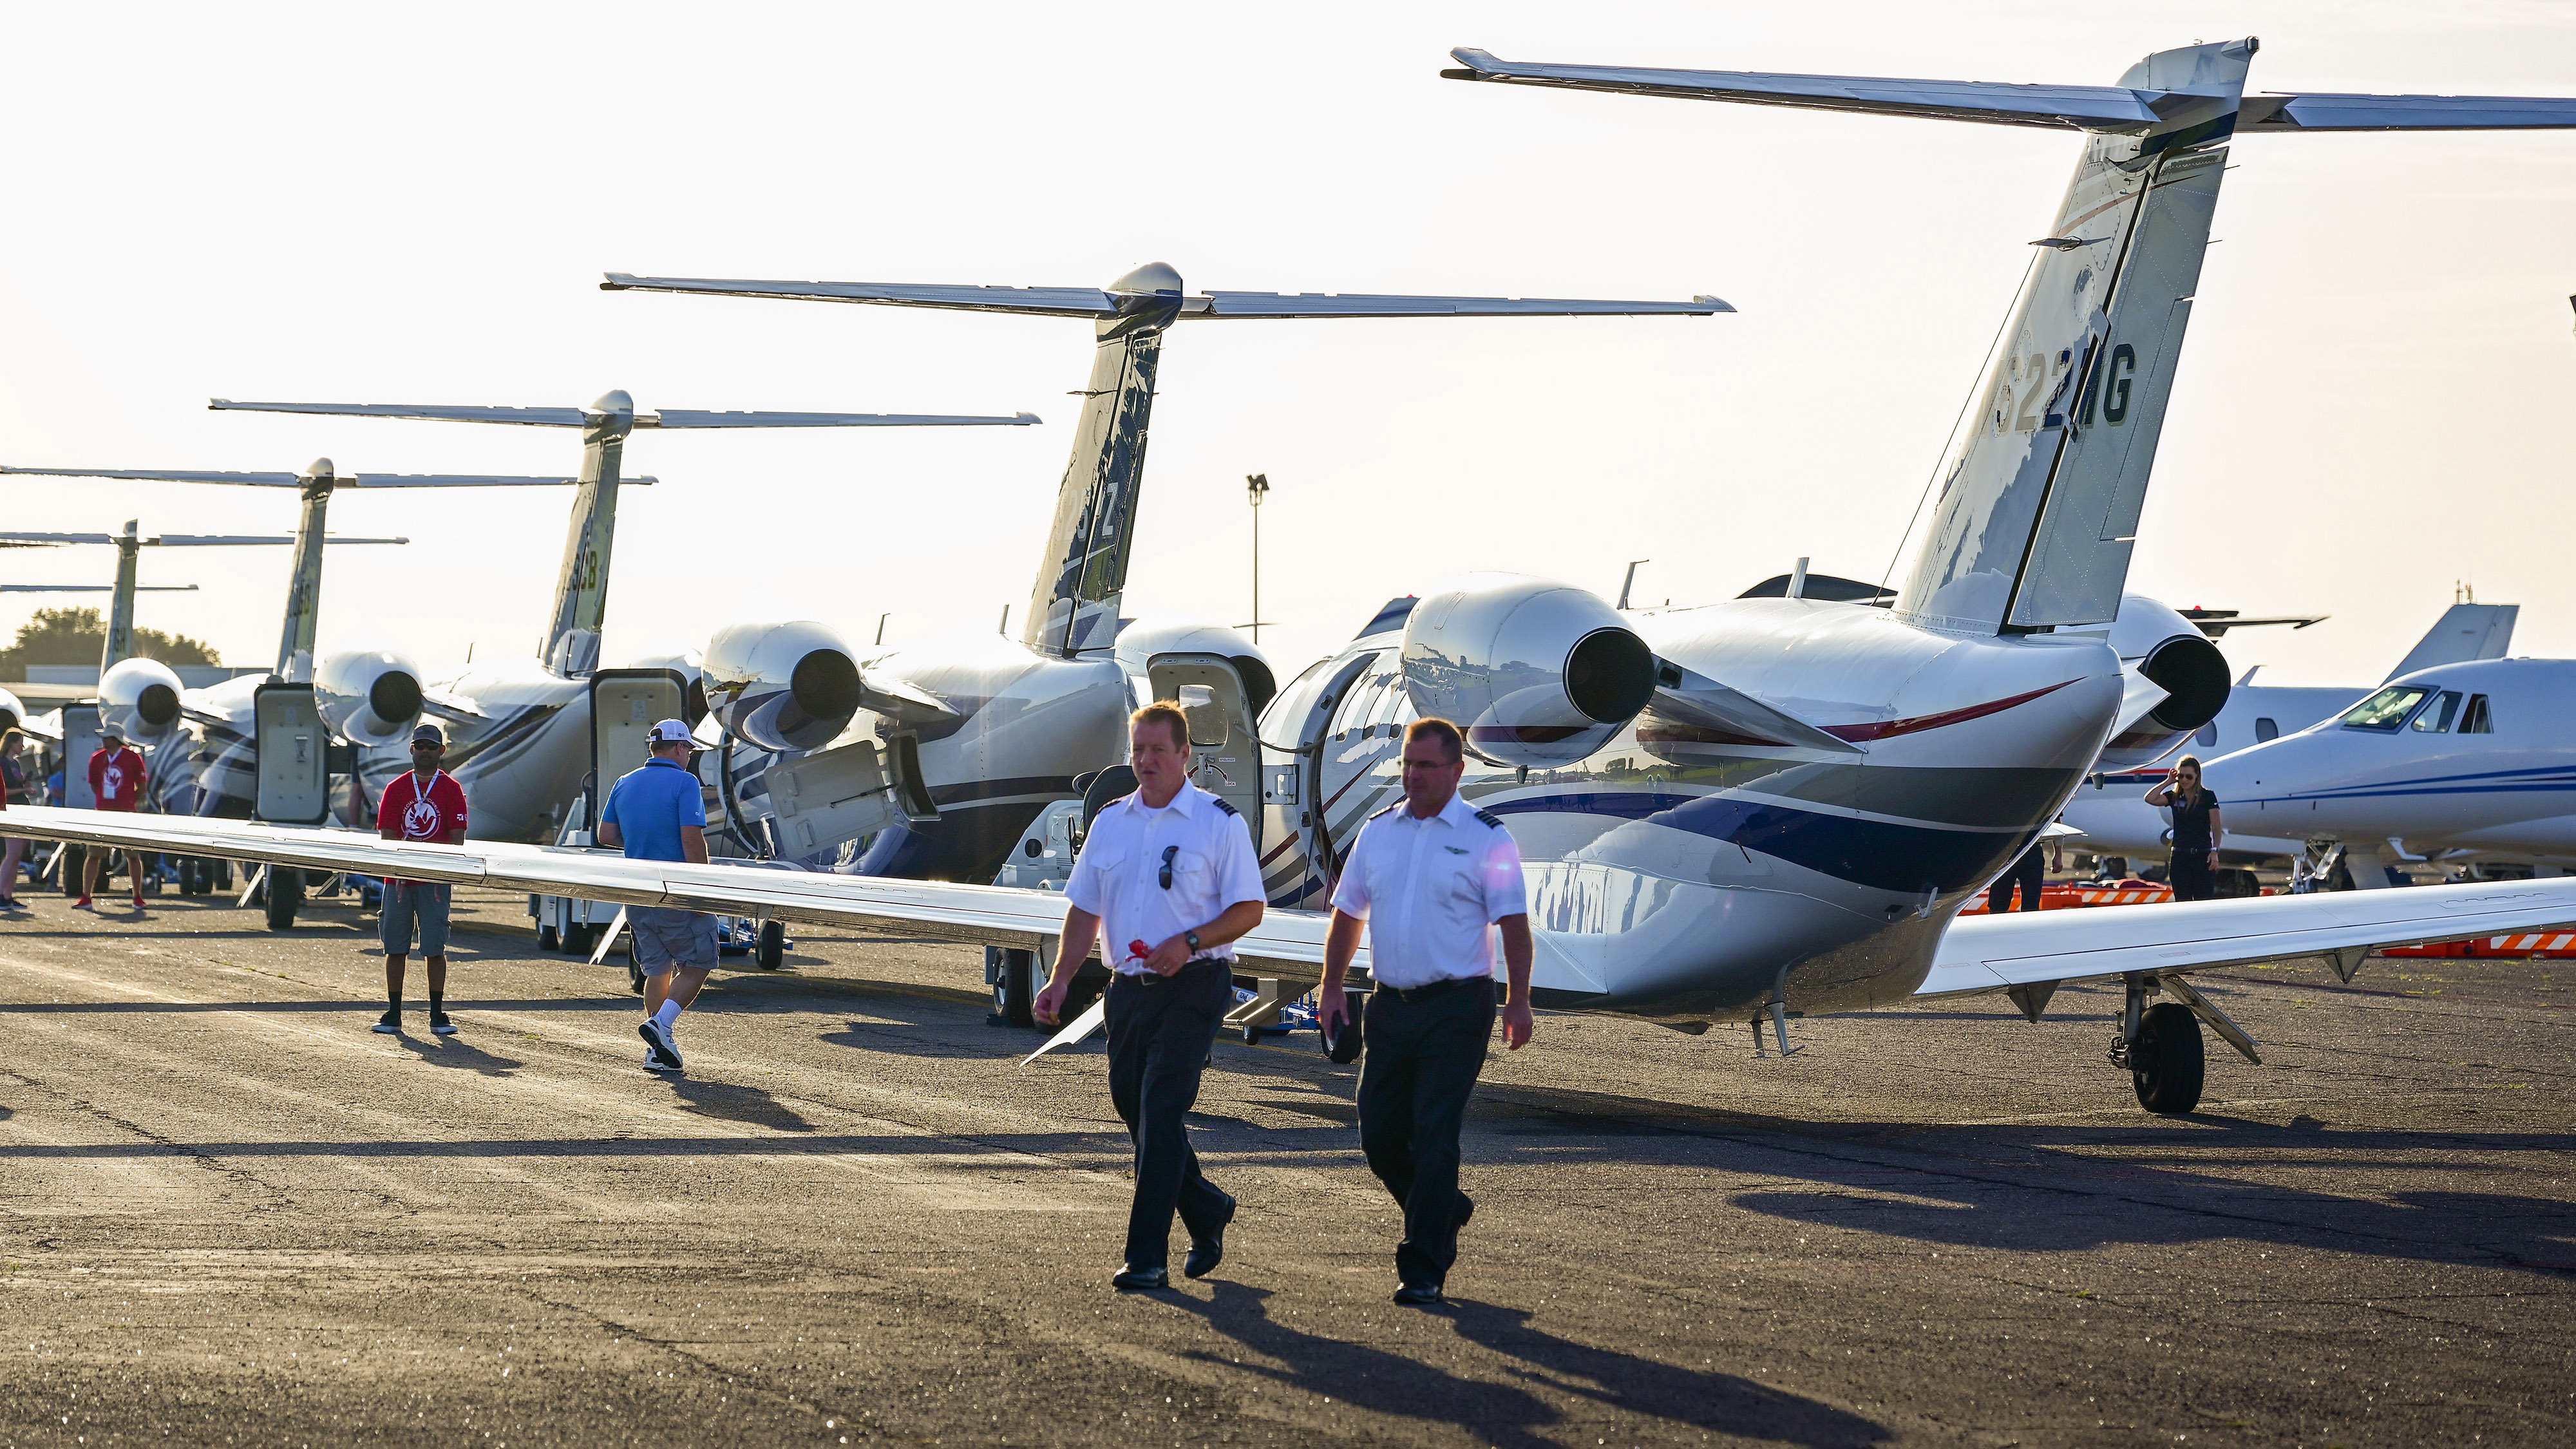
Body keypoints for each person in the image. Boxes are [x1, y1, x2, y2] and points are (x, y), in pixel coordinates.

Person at [1034, 701, 1265, 1293]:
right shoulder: (1111, 822)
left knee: (1162, 1110)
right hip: (1127, 991)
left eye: (1158, 750)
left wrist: (1190, 942)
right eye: (1138, 750)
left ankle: (1147, 1257)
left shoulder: (1218, 822)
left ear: (1186, 755)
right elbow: (1084, 909)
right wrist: (1060, 979)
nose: (1145, 761)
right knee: (1136, 1111)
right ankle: (1207, 1208)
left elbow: (1249, 909)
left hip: (1194, 984)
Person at [1318, 716, 1534, 1308]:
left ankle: (1423, 1266)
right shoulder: (1378, 833)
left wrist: (1518, 999)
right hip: (1390, 1005)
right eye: (1408, 764)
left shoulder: (1489, 838)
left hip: (1457, 1008)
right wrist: (1332, 985)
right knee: (1380, 1137)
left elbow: (1513, 923)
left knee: (1435, 1135)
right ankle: (1444, 1209)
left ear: (1457, 771)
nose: (1412, 775)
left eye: (1426, 765)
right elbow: (1348, 914)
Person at [599, 719, 714, 1073]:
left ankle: (657, 1052)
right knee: (700, 963)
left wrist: (638, 845)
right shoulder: (685, 782)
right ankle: (661, 1025)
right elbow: (692, 840)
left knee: (657, 969)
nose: (690, 756)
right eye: (689, 750)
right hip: (676, 891)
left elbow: (605, 835)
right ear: (679, 748)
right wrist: (703, 892)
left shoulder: (624, 782)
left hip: (637, 893)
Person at [374, 723, 470, 1035]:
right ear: (411, 750)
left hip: (434, 882)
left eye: (431, 746)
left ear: (441, 751)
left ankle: (438, 1014)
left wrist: (433, 866)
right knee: (395, 947)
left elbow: (457, 839)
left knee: (434, 947)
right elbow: (387, 837)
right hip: (397, 882)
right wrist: (401, 868)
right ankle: (393, 1013)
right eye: (420, 746)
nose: (425, 751)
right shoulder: (396, 788)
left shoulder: (452, 789)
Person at [78, 724, 147, 912]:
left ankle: (137, 896)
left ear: (115, 739)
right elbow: (94, 785)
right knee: (93, 854)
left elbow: (142, 787)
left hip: (127, 814)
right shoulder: (97, 758)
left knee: (133, 855)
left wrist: (128, 800)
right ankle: (86, 896)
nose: (103, 740)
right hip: (102, 813)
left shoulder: (133, 758)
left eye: (107, 737)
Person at [2144, 755, 2222, 902]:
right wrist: (2168, 782)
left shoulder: (2207, 797)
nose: (2185, 780)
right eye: (2181, 776)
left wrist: (2215, 851)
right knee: (2182, 901)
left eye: (2189, 777)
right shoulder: (2175, 797)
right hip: (2180, 856)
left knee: (2203, 900)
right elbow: (2150, 798)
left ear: (2197, 777)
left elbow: (2217, 826)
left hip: (2202, 856)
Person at [0, 730, 28, 910]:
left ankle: (8, 895)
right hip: (10, 810)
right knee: (11, 854)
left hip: (21, 809)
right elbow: (5, 791)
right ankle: (1, 893)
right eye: (20, 742)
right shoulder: (3, 763)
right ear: (12, 743)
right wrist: (23, 791)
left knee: (16, 855)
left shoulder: (15, 764)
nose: (22, 746)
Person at [1986, 840, 2045, 914]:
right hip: (2005, 851)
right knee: (1998, 904)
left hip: (2032, 850)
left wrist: (2058, 855)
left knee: (2031, 905)